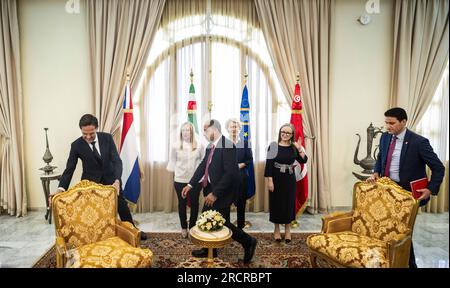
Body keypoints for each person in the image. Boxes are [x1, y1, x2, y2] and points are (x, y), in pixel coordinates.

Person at [367, 107, 445, 268]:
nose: (388, 126)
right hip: (387, 191)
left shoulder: (419, 142)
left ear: (403, 122)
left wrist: (430, 188)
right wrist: (376, 172)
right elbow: (381, 157)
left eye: (392, 123)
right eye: (386, 122)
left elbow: (438, 167)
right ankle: (387, 262)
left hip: (407, 195)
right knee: (386, 230)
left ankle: (409, 264)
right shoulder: (385, 138)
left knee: (402, 233)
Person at [49, 114, 147, 240]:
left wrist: (117, 181)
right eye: (85, 134)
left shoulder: (107, 138)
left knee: (122, 207)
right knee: (95, 213)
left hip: (112, 181)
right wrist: (60, 189)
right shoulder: (76, 145)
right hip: (90, 184)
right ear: (81, 130)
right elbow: (69, 169)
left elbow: (117, 161)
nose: (88, 137)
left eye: (92, 133)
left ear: (96, 128)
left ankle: (133, 232)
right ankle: (99, 236)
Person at [181, 119, 257, 264]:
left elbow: (231, 174)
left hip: (222, 192)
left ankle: (249, 241)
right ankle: (209, 249)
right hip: (211, 188)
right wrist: (190, 184)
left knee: (221, 222)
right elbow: (204, 165)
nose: (203, 133)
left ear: (214, 129)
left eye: (206, 130)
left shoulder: (227, 145)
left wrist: (215, 193)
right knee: (210, 217)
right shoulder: (211, 146)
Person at [264, 123, 308, 243]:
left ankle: (288, 229)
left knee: (289, 204)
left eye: (288, 133)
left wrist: (300, 149)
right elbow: (268, 165)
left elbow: (303, 160)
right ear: (280, 132)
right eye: (283, 132)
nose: (285, 134)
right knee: (276, 204)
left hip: (289, 179)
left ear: (292, 135)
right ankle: (276, 229)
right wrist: (270, 181)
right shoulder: (273, 146)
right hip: (276, 179)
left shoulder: (294, 147)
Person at [167, 122, 204, 238]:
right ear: (180, 132)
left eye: (188, 130)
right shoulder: (175, 146)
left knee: (194, 204)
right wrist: (179, 173)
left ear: (192, 132)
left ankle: (192, 227)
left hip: (195, 181)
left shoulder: (199, 145)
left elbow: (203, 162)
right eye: (183, 130)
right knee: (182, 204)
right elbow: (172, 162)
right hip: (180, 180)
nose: (185, 132)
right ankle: (184, 227)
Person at [225, 118, 254, 229]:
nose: (234, 129)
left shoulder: (245, 143)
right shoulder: (223, 143)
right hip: (227, 178)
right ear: (227, 128)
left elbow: (249, 159)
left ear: (240, 129)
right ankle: (226, 226)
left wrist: (241, 165)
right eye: (232, 126)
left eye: (236, 126)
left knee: (241, 203)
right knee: (226, 203)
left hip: (241, 177)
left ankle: (240, 227)